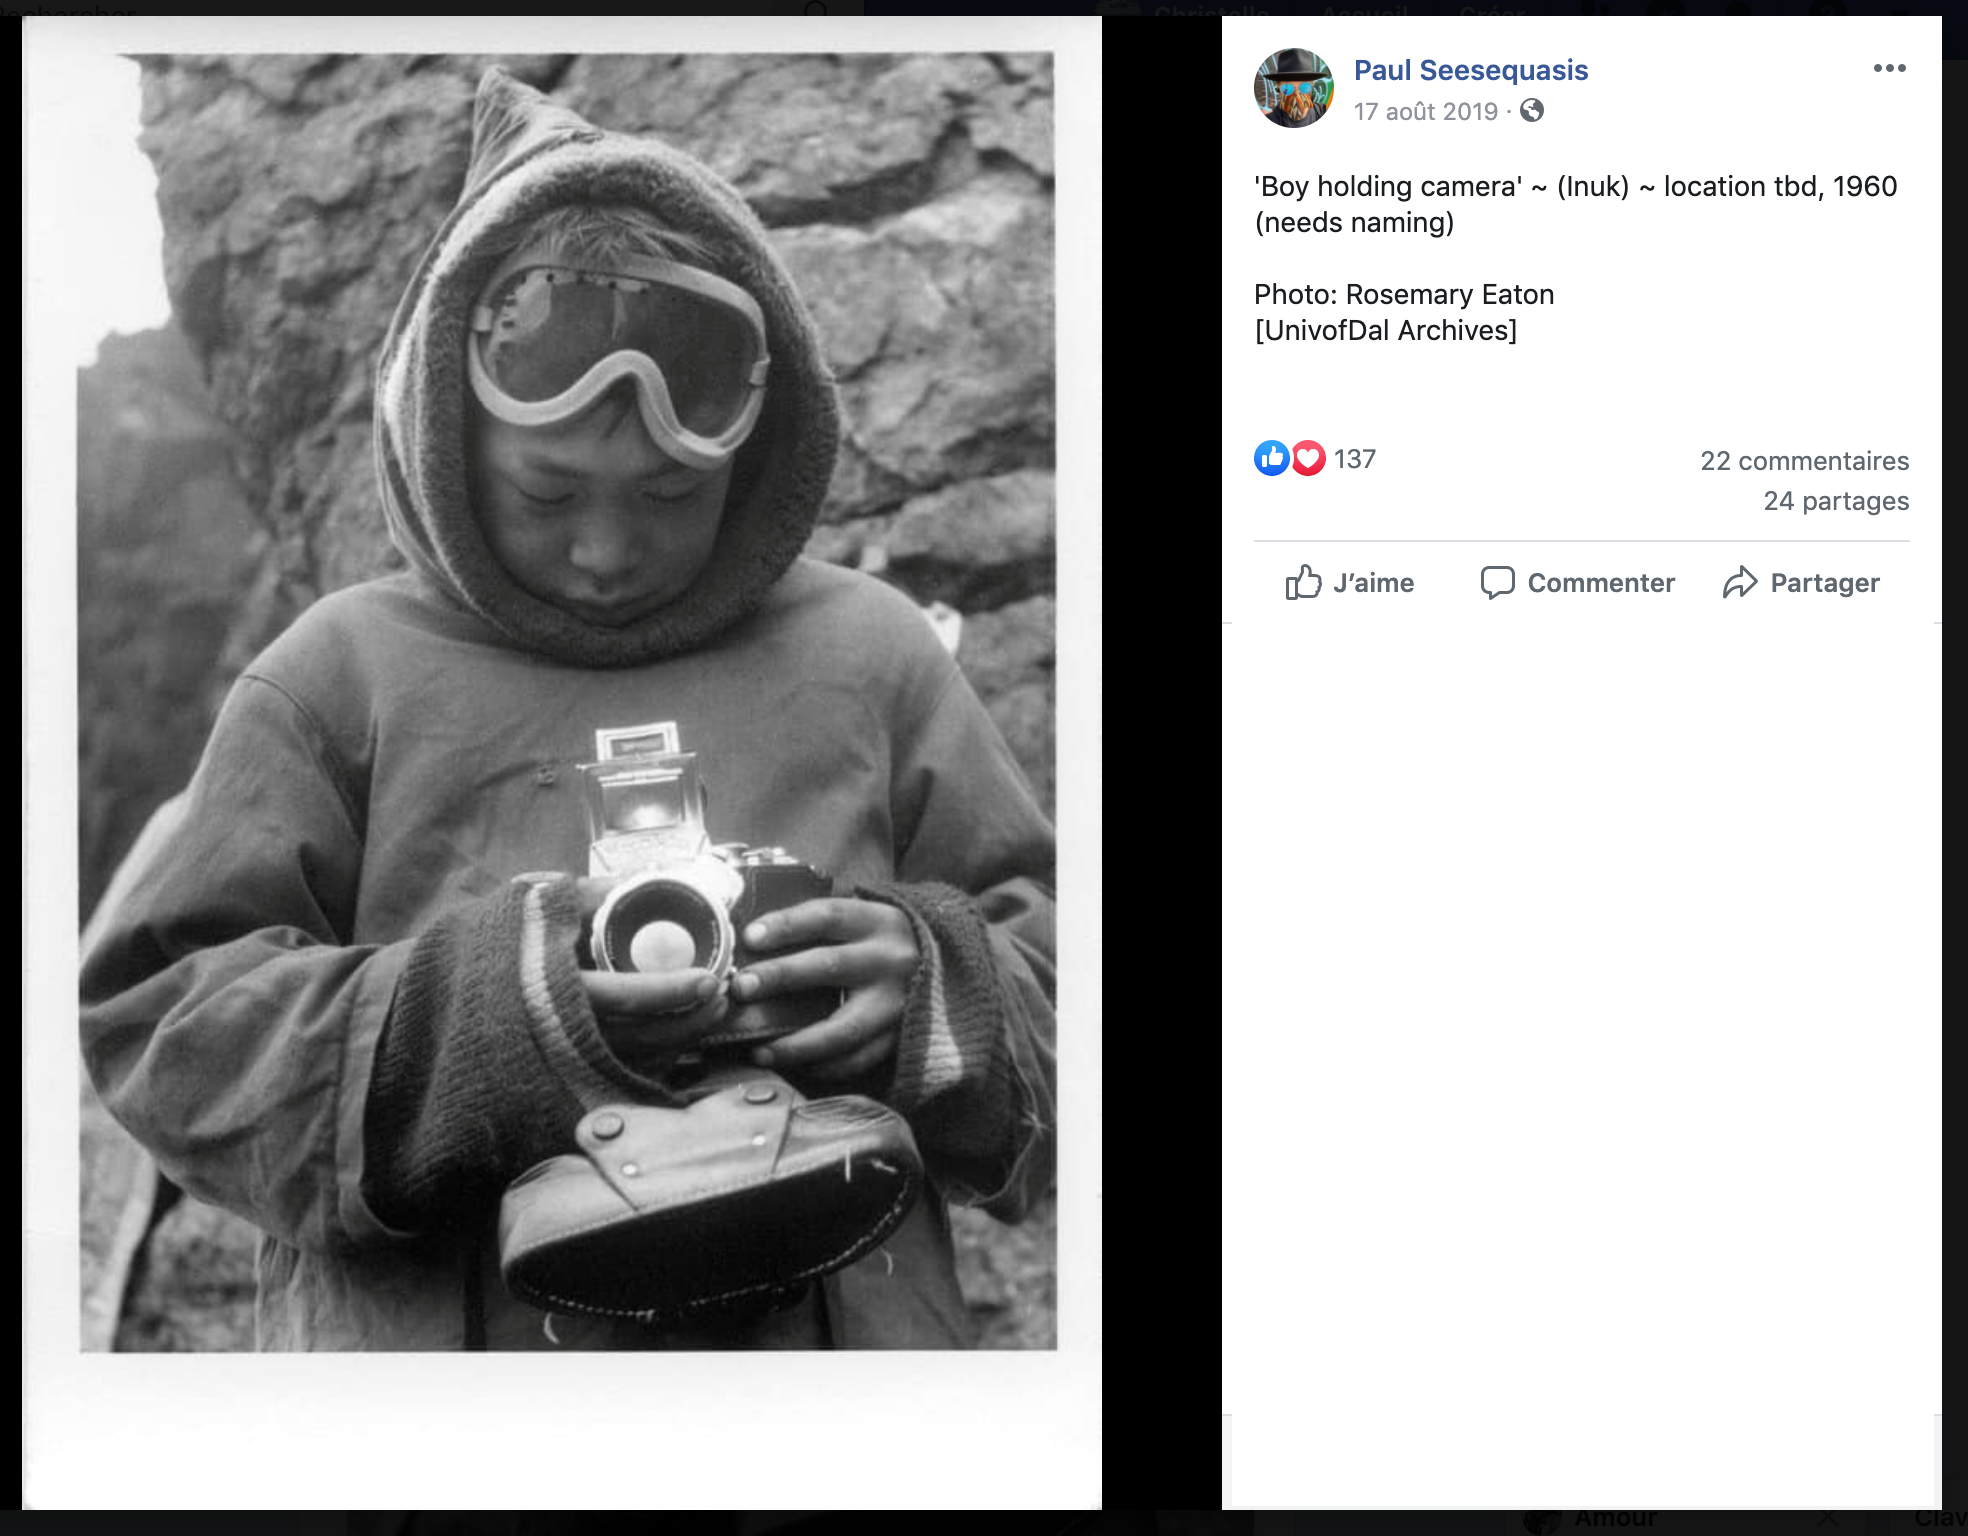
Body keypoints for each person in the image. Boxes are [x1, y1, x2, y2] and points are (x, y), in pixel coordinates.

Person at [79, 66, 1056, 1351]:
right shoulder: (334, 676)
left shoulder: (872, 657)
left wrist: (938, 996)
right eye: (547, 494)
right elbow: (158, 1023)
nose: (606, 551)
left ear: (752, 449)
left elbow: (1059, 976)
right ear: (445, 435)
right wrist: (484, 1026)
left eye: (668, 496)